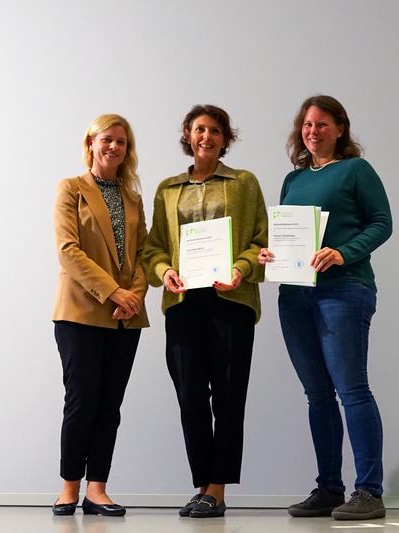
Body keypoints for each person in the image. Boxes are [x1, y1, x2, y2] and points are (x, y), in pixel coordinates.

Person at [258, 95, 392, 521]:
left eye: (321, 124)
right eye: (307, 125)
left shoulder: (357, 170)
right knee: (317, 395)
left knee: (352, 389)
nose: (312, 131)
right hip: (295, 295)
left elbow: (381, 223)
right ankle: (329, 488)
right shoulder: (292, 180)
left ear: (340, 129)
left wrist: (343, 252)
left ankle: (369, 490)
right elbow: (285, 234)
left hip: (344, 291)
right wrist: (271, 253)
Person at [143, 105, 267, 518]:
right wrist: (165, 271)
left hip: (230, 301)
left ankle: (217, 489)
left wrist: (240, 269)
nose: (207, 137)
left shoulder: (244, 183)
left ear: (225, 138)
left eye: (215, 130)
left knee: (229, 398)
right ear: (188, 134)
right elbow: (153, 248)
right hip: (182, 303)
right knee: (189, 395)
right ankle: (201, 485)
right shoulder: (167, 189)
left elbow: (260, 241)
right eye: (200, 129)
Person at [51, 114, 149, 517]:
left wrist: (134, 296)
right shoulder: (70, 189)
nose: (114, 147)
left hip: (125, 316)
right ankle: (68, 487)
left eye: (122, 142)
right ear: (90, 143)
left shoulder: (133, 198)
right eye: (107, 139)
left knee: (110, 404)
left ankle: (97, 489)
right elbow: (68, 250)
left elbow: (142, 254)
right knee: (81, 401)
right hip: (80, 313)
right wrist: (113, 290)